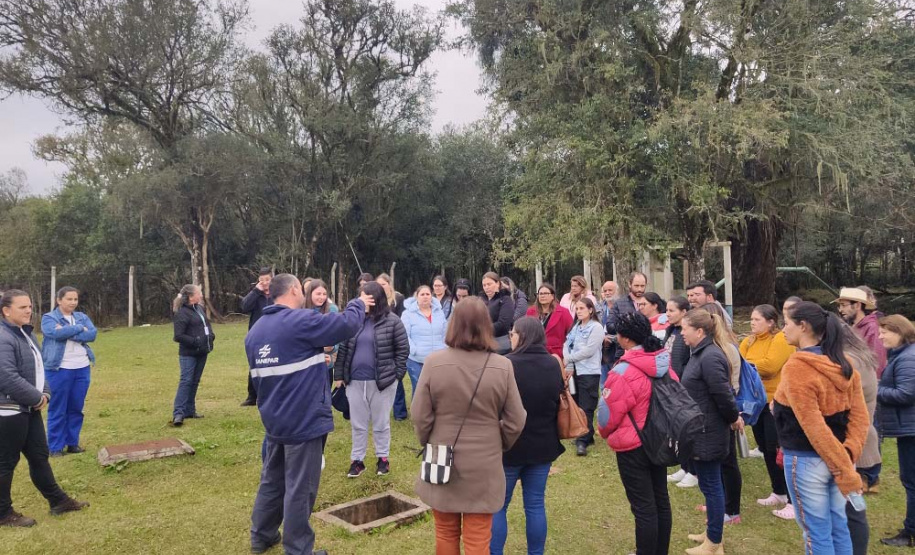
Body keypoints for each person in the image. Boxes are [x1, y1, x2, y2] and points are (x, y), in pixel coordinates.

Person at [246, 274, 372, 555]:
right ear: (293, 290)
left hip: (274, 419)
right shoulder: (299, 320)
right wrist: (359, 302)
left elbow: (270, 373)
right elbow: (345, 324)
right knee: (300, 487)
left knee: (273, 479)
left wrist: (315, 360)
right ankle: (299, 549)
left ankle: (262, 535)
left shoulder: (255, 332)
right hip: (303, 419)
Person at [411, 297, 526, 555]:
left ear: (453, 325)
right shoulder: (502, 366)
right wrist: (500, 442)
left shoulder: (433, 363)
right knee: (478, 540)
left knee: (445, 533)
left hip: (442, 458)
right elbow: (516, 419)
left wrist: (428, 440)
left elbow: (419, 415)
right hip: (484, 462)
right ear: (486, 325)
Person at [775, 301, 869, 555]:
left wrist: (844, 465)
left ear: (803, 326)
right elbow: (861, 419)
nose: (782, 330)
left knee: (816, 533)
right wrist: (847, 455)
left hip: (807, 462)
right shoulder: (844, 363)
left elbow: (813, 426)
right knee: (838, 526)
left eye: (787, 324)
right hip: (839, 459)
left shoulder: (798, 367)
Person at [0, 289, 89, 528]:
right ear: (6, 311)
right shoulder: (3, 336)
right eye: (22, 307)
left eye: (29, 306)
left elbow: (40, 366)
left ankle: (58, 501)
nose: (29, 310)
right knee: (6, 462)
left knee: (39, 456)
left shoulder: (24, 333)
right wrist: (35, 397)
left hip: (28, 408)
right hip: (9, 411)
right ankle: (3, 513)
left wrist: (45, 392)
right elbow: (6, 376)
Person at [597, 312, 674, 555]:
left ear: (625, 338)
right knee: (660, 499)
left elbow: (608, 416)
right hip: (659, 438)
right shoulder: (663, 361)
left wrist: (604, 431)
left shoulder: (623, 372)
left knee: (643, 506)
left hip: (634, 445)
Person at [491, 317, 565, 555]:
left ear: (521, 336)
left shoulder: (505, 364)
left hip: (509, 446)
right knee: (535, 504)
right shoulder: (554, 363)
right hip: (543, 444)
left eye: (512, 333)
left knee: (498, 506)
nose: (510, 337)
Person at [680, 308, 741, 555]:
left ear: (700, 331)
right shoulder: (699, 353)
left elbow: (723, 396)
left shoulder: (711, 356)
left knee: (713, 486)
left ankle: (714, 542)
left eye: (685, 328)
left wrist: (733, 418)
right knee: (708, 485)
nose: (682, 332)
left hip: (709, 431)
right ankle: (711, 533)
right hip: (699, 429)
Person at [334, 282, 409, 478]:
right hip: (355, 381)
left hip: (383, 382)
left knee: (381, 423)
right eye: (360, 296)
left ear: (376, 299)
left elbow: (402, 350)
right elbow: (343, 349)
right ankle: (357, 461)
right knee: (358, 424)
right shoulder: (353, 321)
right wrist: (339, 375)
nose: (362, 300)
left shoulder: (392, 321)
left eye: (366, 296)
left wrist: (396, 376)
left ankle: (383, 459)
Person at [739, 305, 796, 519]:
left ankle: (792, 499)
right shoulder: (748, 341)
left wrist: (749, 366)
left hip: (776, 400)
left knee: (778, 449)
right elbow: (739, 364)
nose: (752, 323)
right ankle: (778, 491)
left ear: (771, 322)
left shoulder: (780, 339)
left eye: (757, 319)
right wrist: (751, 367)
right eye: (752, 319)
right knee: (765, 447)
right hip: (756, 402)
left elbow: (771, 366)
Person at [40, 286, 97, 457]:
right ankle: (55, 447)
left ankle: (73, 443)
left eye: (75, 299)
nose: (73, 302)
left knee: (76, 407)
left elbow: (92, 335)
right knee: (58, 408)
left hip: (82, 368)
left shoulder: (81, 317)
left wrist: (66, 331)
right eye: (69, 299)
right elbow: (53, 333)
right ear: (59, 300)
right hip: (59, 369)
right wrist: (80, 329)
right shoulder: (49, 318)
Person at [840, 325, 879, 555]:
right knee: (851, 506)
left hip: (856, 447)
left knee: (852, 508)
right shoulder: (859, 357)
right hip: (861, 443)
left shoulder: (850, 361)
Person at [877, 314, 915, 547]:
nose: (880, 335)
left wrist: (875, 389)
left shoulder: (908, 358)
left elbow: (906, 394)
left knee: (911, 481)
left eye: (885, 331)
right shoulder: (902, 355)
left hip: (911, 430)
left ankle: (909, 533)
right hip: (908, 428)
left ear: (900, 332)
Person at [665, 296, 700, 488]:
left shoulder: (687, 335)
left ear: (684, 312)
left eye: (672, 311)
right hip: (670, 386)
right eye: (667, 310)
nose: (667, 314)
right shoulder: (671, 331)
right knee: (677, 430)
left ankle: (694, 471)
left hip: (683, 388)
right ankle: (685, 466)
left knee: (688, 430)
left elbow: (686, 362)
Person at [563, 298, 604, 456]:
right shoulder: (576, 327)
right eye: (577, 308)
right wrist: (569, 364)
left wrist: (569, 359)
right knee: (577, 404)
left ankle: (583, 440)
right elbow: (566, 345)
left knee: (587, 406)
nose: (579, 311)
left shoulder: (596, 327)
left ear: (591, 310)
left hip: (589, 371)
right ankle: (587, 434)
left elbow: (589, 350)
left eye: (582, 308)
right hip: (575, 371)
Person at [170, 284, 214, 427]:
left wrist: (211, 336)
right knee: (186, 381)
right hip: (188, 354)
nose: (201, 295)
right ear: (190, 296)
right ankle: (178, 413)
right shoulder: (182, 313)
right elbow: (178, 336)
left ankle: (190, 410)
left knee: (194, 381)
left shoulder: (199, 309)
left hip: (202, 352)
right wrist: (195, 341)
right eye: (199, 293)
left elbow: (206, 325)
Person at [400, 285, 448, 402]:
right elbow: (405, 335)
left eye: (428, 294)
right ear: (417, 296)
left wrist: (444, 348)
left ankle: (436, 412)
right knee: (419, 387)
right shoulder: (407, 314)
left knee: (437, 387)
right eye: (422, 294)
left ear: (431, 296)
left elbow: (445, 333)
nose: (425, 297)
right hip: (416, 359)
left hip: (437, 358)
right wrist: (414, 350)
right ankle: (419, 414)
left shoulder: (439, 313)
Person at [835, 286, 888, 378]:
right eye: (839, 306)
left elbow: (878, 362)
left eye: (843, 305)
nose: (840, 310)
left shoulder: (872, 327)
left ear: (857, 305)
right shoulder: (853, 327)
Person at [377, 273, 408, 420]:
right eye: (379, 285)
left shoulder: (398, 299)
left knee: (397, 378)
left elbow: (402, 320)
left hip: (395, 341)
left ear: (389, 284)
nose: (382, 287)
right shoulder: (376, 299)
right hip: (380, 344)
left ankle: (400, 412)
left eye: (384, 284)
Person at [240, 268, 273, 406]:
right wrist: (256, 291)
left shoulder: (277, 294)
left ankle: (270, 394)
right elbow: (244, 307)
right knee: (255, 364)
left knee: (272, 363)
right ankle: (252, 396)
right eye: (261, 280)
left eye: (267, 280)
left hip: (274, 334)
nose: (264, 283)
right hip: (257, 334)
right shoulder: (256, 295)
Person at [304, 279, 340, 386]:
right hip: (305, 366)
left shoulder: (332, 310)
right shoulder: (300, 310)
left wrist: (332, 348)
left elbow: (337, 338)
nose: (322, 297)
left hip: (326, 365)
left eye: (324, 294)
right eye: (318, 294)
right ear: (310, 294)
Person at [525, 283, 573, 362]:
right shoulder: (531, 312)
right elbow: (526, 332)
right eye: (540, 294)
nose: (542, 296)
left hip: (556, 355)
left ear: (552, 296)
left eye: (546, 293)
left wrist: (568, 357)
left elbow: (571, 335)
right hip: (534, 354)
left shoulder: (563, 312)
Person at [607, 272, 648, 363]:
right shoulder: (619, 303)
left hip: (646, 352)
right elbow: (610, 325)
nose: (639, 289)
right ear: (629, 284)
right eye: (636, 286)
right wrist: (627, 328)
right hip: (623, 352)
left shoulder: (651, 302)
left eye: (642, 286)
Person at [480, 271, 515, 355]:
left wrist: (482, 330)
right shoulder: (480, 300)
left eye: (489, 284)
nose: (486, 287)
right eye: (484, 285)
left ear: (498, 284)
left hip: (500, 343)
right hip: (481, 343)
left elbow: (503, 323)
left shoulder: (505, 300)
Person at [597, 281, 618, 387]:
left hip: (618, 350)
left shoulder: (622, 307)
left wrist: (612, 338)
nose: (607, 293)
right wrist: (602, 338)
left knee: (617, 384)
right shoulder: (597, 307)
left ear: (617, 291)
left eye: (610, 290)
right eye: (605, 291)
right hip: (602, 351)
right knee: (603, 385)